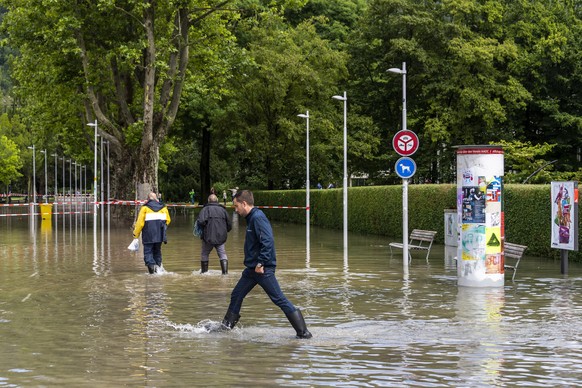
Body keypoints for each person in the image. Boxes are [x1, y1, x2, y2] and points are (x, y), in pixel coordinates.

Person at [213, 190, 312, 339]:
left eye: (236, 206)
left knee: (279, 299)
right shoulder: (251, 218)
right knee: (237, 294)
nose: (236, 209)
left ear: (244, 203)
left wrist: (260, 263)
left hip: (262, 269)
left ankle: (304, 333)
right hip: (252, 270)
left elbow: (268, 241)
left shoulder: (258, 218)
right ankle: (226, 328)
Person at [132, 192, 171, 274]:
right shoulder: (163, 207)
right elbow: (168, 220)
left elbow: (139, 223)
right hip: (160, 236)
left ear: (148, 199)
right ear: (156, 198)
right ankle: (159, 270)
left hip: (148, 236)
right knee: (157, 252)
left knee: (148, 253)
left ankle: (152, 273)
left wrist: (136, 234)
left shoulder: (145, 208)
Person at [196, 194, 232, 274]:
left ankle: (204, 273)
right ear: (217, 200)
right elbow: (229, 225)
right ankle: (225, 274)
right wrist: (225, 232)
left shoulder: (205, 209)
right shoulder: (223, 210)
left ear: (208, 201)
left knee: (205, 253)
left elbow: (201, 222)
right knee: (222, 254)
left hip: (208, 237)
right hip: (221, 238)